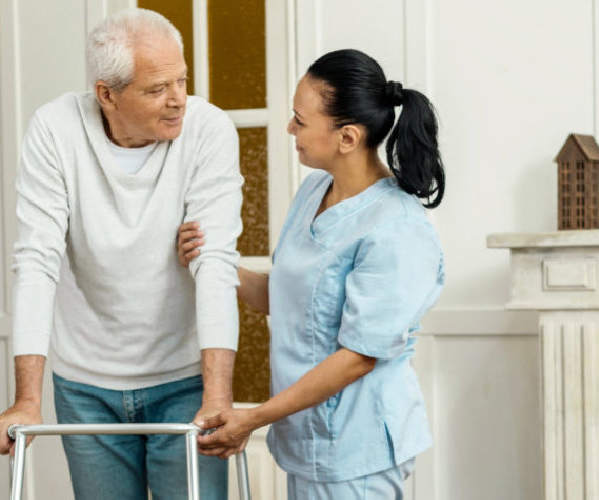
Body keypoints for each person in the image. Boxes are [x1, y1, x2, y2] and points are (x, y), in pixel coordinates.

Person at [0, 8, 244, 499]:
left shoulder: (208, 129)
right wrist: (26, 400)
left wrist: (216, 396)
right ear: (107, 93)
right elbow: (37, 261)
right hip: (86, 386)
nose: (177, 101)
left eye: (181, 81)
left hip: (183, 381)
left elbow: (215, 264)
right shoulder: (55, 128)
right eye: (156, 90)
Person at [179, 48, 446, 499]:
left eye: (300, 121)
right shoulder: (313, 191)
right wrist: (214, 263)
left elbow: (359, 356)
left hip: (359, 453)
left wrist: (253, 417)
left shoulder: (398, 228)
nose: (290, 129)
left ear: (347, 137)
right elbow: (288, 300)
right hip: (307, 444)